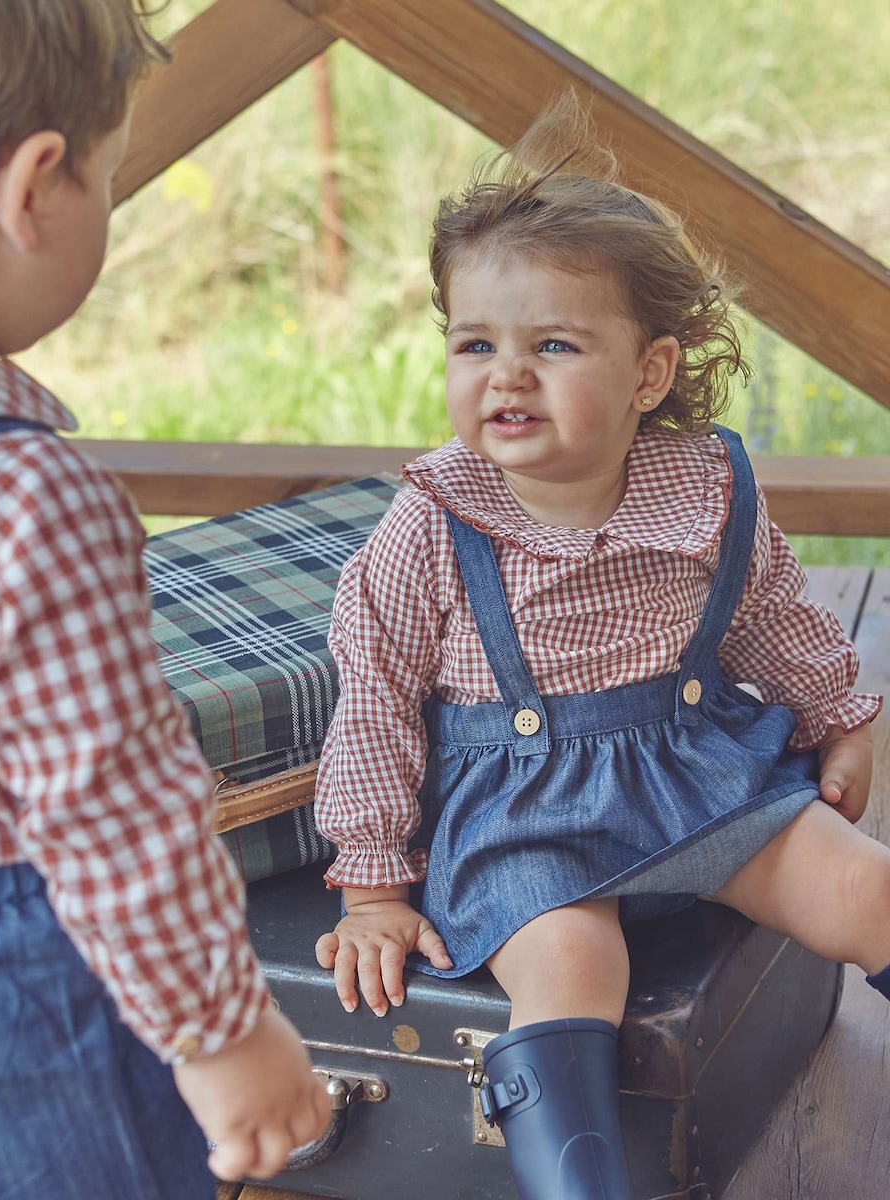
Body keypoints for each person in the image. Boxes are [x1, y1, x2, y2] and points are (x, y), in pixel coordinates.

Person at [312, 92, 886, 1200]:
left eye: (554, 344)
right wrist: (374, 885)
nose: (505, 374)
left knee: (863, 886)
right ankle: (582, 1185)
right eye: (474, 343)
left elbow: (766, 611)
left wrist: (842, 714)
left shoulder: (703, 492)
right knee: (576, 968)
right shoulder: (433, 523)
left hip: (695, 773)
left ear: (648, 375)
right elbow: (375, 701)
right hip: (527, 814)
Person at [0, 3, 329, 1197]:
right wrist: (226, 1033)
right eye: (106, 174)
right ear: (36, 186)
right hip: (9, 1009)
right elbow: (110, 812)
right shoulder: (14, 494)